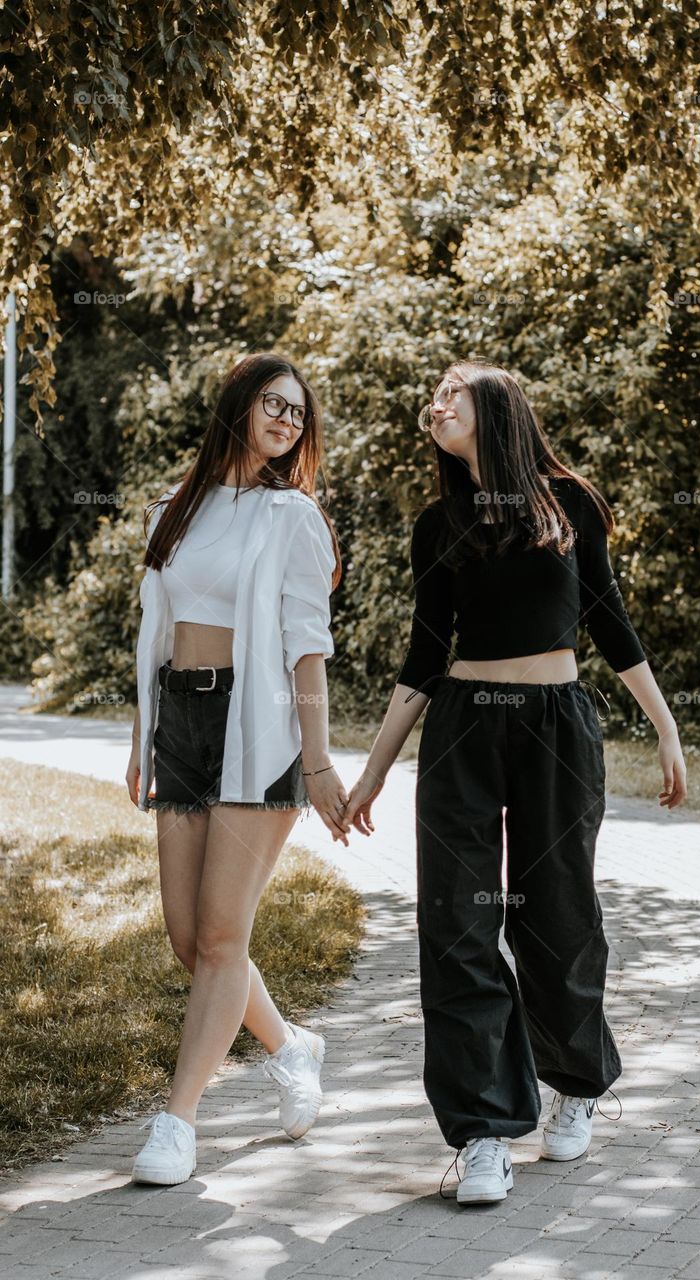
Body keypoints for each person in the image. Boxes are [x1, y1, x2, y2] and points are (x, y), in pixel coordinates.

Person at [344, 359, 687, 1205]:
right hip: (464, 725)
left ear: (495, 408)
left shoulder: (569, 503)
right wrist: (372, 773)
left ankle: (576, 1083)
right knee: (456, 925)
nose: (433, 407)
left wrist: (665, 724)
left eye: (449, 396)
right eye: (431, 400)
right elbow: (424, 656)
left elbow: (607, 616)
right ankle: (486, 1129)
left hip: (556, 728)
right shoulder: (437, 525)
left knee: (558, 917)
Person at [125, 352, 349, 1185]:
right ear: (238, 406)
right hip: (182, 721)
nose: (288, 422)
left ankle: (176, 1124)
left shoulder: (292, 517)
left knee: (223, 938)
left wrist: (318, 762)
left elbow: (307, 649)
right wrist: (144, 736)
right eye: (273, 405)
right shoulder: (171, 511)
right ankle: (292, 1048)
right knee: (190, 940)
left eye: (299, 414)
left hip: (257, 729)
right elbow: (155, 634)